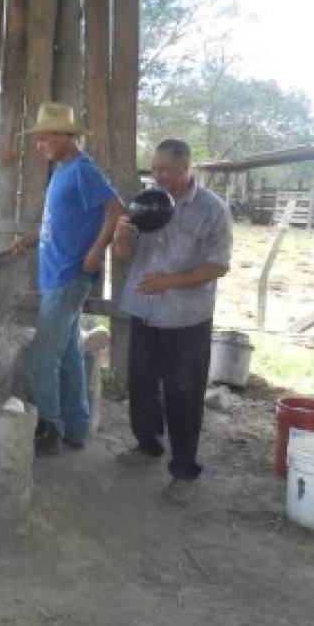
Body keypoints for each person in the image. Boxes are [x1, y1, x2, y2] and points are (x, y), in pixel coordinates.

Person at [112, 139, 232, 504]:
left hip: (186, 319)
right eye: (155, 168)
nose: (159, 175)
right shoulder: (145, 203)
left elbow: (219, 265)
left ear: (187, 168)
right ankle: (147, 446)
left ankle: (183, 470)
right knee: (142, 386)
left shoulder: (212, 210)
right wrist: (121, 238)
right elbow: (124, 255)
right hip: (144, 311)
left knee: (183, 394)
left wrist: (170, 281)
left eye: (166, 169)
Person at [10, 102, 123, 456]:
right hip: (56, 273)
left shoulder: (82, 170)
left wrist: (95, 252)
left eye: (44, 137)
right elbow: (57, 219)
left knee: (41, 359)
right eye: (38, 137)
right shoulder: (61, 170)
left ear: (64, 136)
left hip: (69, 276)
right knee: (71, 354)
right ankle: (76, 427)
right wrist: (30, 238)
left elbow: (116, 210)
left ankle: (50, 431)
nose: (39, 144)